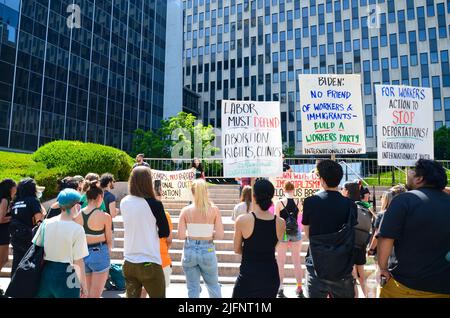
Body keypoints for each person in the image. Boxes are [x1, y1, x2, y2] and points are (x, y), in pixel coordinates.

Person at [378, 159, 450, 298]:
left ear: (419, 179)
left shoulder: (404, 200)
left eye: (412, 171)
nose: (408, 173)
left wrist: (382, 268)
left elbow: (386, 237)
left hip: (406, 287)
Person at [302, 160, 358, 298]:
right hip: (343, 267)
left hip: (316, 265)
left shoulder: (310, 202)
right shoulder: (351, 205)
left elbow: (308, 234)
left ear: (321, 179)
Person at [120, 166, 170, 298]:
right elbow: (165, 232)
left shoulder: (124, 202)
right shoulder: (155, 204)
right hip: (149, 260)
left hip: (129, 261)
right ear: (148, 182)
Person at [233, 179, 286, 298]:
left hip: (249, 276)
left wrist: (250, 252)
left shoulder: (242, 220)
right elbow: (272, 246)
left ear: (254, 196)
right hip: (271, 276)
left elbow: (236, 249)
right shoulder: (281, 222)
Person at [34, 189, 89, 298]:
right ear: (75, 206)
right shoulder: (77, 229)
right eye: (80, 204)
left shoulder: (46, 223)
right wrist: (84, 286)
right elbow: (78, 261)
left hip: (46, 272)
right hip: (68, 273)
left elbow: (37, 246)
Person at [178, 179, 224, 298]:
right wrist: (208, 235)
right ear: (206, 192)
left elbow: (181, 236)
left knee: (192, 288)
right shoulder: (214, 210)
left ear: (192, 192)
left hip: (189, 250)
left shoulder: (185, 211)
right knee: (213, 286)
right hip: (207, 249)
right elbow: (220, 235)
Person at [75, 181, 112, 298]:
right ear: (100, 197)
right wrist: (108, 253)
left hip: (82, 253)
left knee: (86, 294)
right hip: (99, 252)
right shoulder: (105, 216)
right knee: (95, 295)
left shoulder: (77, 215)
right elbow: (109, 240)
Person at [141, 186, 173, 298]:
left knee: (142, 291)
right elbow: (169, 239)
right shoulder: (165, 214)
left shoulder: (140, 213)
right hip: (161, 258)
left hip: (143, 257)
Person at [9, 178, 45, 276]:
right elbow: (39, 221)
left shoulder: (14, 202)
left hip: (16, 238)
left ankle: (14, 287)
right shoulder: (33, 201)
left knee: (16, 264)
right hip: (30, 238)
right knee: (29, 265)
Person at [275, 181, 305, 298]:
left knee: (281, 262)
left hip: (283, 234)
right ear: (293, 189)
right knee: (297, 262)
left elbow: (277, 220)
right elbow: (300, 218)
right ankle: (299, 288)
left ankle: (281, 288)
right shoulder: (298, 201)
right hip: (295, 232)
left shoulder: (279, 202)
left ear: (284, 189)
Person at [341, 181, 371, 298]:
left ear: (347, 191)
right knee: (361, 276)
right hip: (361, 244)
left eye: (342, 189)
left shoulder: (347, 205)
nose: (341, 190)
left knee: (352, 277)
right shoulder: (364, 205)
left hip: (350, 244)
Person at [368, 185, 406, 259]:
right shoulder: (409, 213)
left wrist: (371, 249)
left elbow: (377, 235)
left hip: (387, 251)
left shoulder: (383, 214)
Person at [0, 179, 17, 272]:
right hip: (2, 233)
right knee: (2, 259)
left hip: (4, 232)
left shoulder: (4, 199)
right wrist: (13, 217)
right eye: (14, 187)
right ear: (9, 188)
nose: (16, 189)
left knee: (5, 259)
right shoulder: (4, 200)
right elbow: (1, 219)